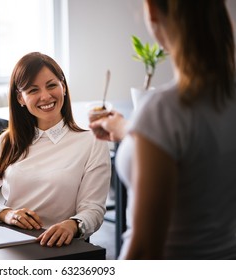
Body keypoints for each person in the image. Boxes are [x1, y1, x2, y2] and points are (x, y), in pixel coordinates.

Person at [90, 0, 236, 259]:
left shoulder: (165, 110)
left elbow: (145, 251)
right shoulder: (220, 97)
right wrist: (125, 128)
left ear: (152, 10)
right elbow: (189, 145)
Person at [0, 52, 111, 247]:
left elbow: (93, 209)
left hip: (60, 247)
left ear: (63, 87)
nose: (45, 96)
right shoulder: (8, 141)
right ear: (20, 98)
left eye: (51, 85)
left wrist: (72, 225)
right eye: (33, 90)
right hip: (10, 243)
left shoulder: (92, 142)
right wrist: (5, 213)